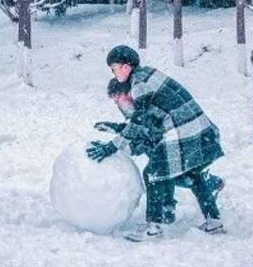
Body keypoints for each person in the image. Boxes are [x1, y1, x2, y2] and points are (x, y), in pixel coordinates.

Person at [87, 46, 225, 241]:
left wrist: (110, 147)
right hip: (196, 128)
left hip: (180, 130)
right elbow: (145, 123)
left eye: (114, 67)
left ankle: (154, 229)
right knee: (192, 175)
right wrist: (118, 128)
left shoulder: (139, 83)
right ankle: (214, 222)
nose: (113, 72)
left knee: (153, 173)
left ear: (126, 67)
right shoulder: (147, 74)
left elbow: (139, 121)